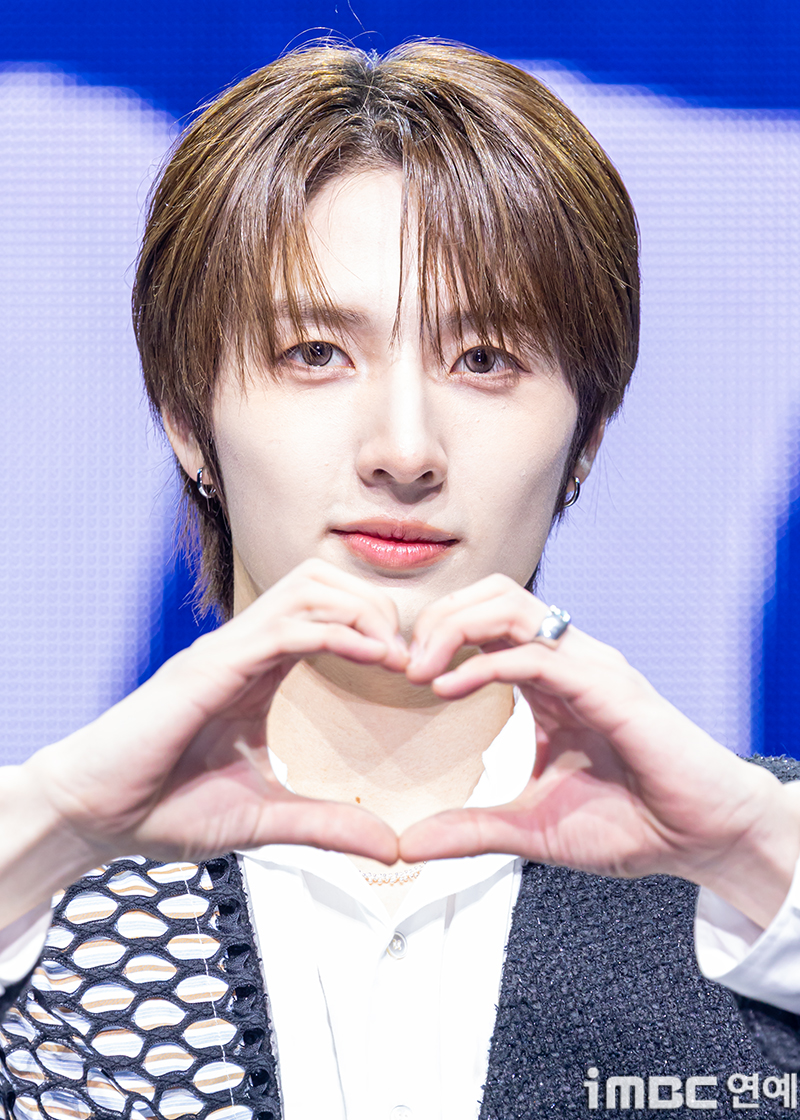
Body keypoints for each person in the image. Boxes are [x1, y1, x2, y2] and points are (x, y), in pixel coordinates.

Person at [1, 40, 800, 1120]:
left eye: (484, 360)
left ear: (587, 439)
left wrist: (752, 850)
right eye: (315, 353)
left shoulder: (747, 868)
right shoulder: (43, 874)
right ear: (187, 421)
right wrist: (51, 826)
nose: (405, 450)